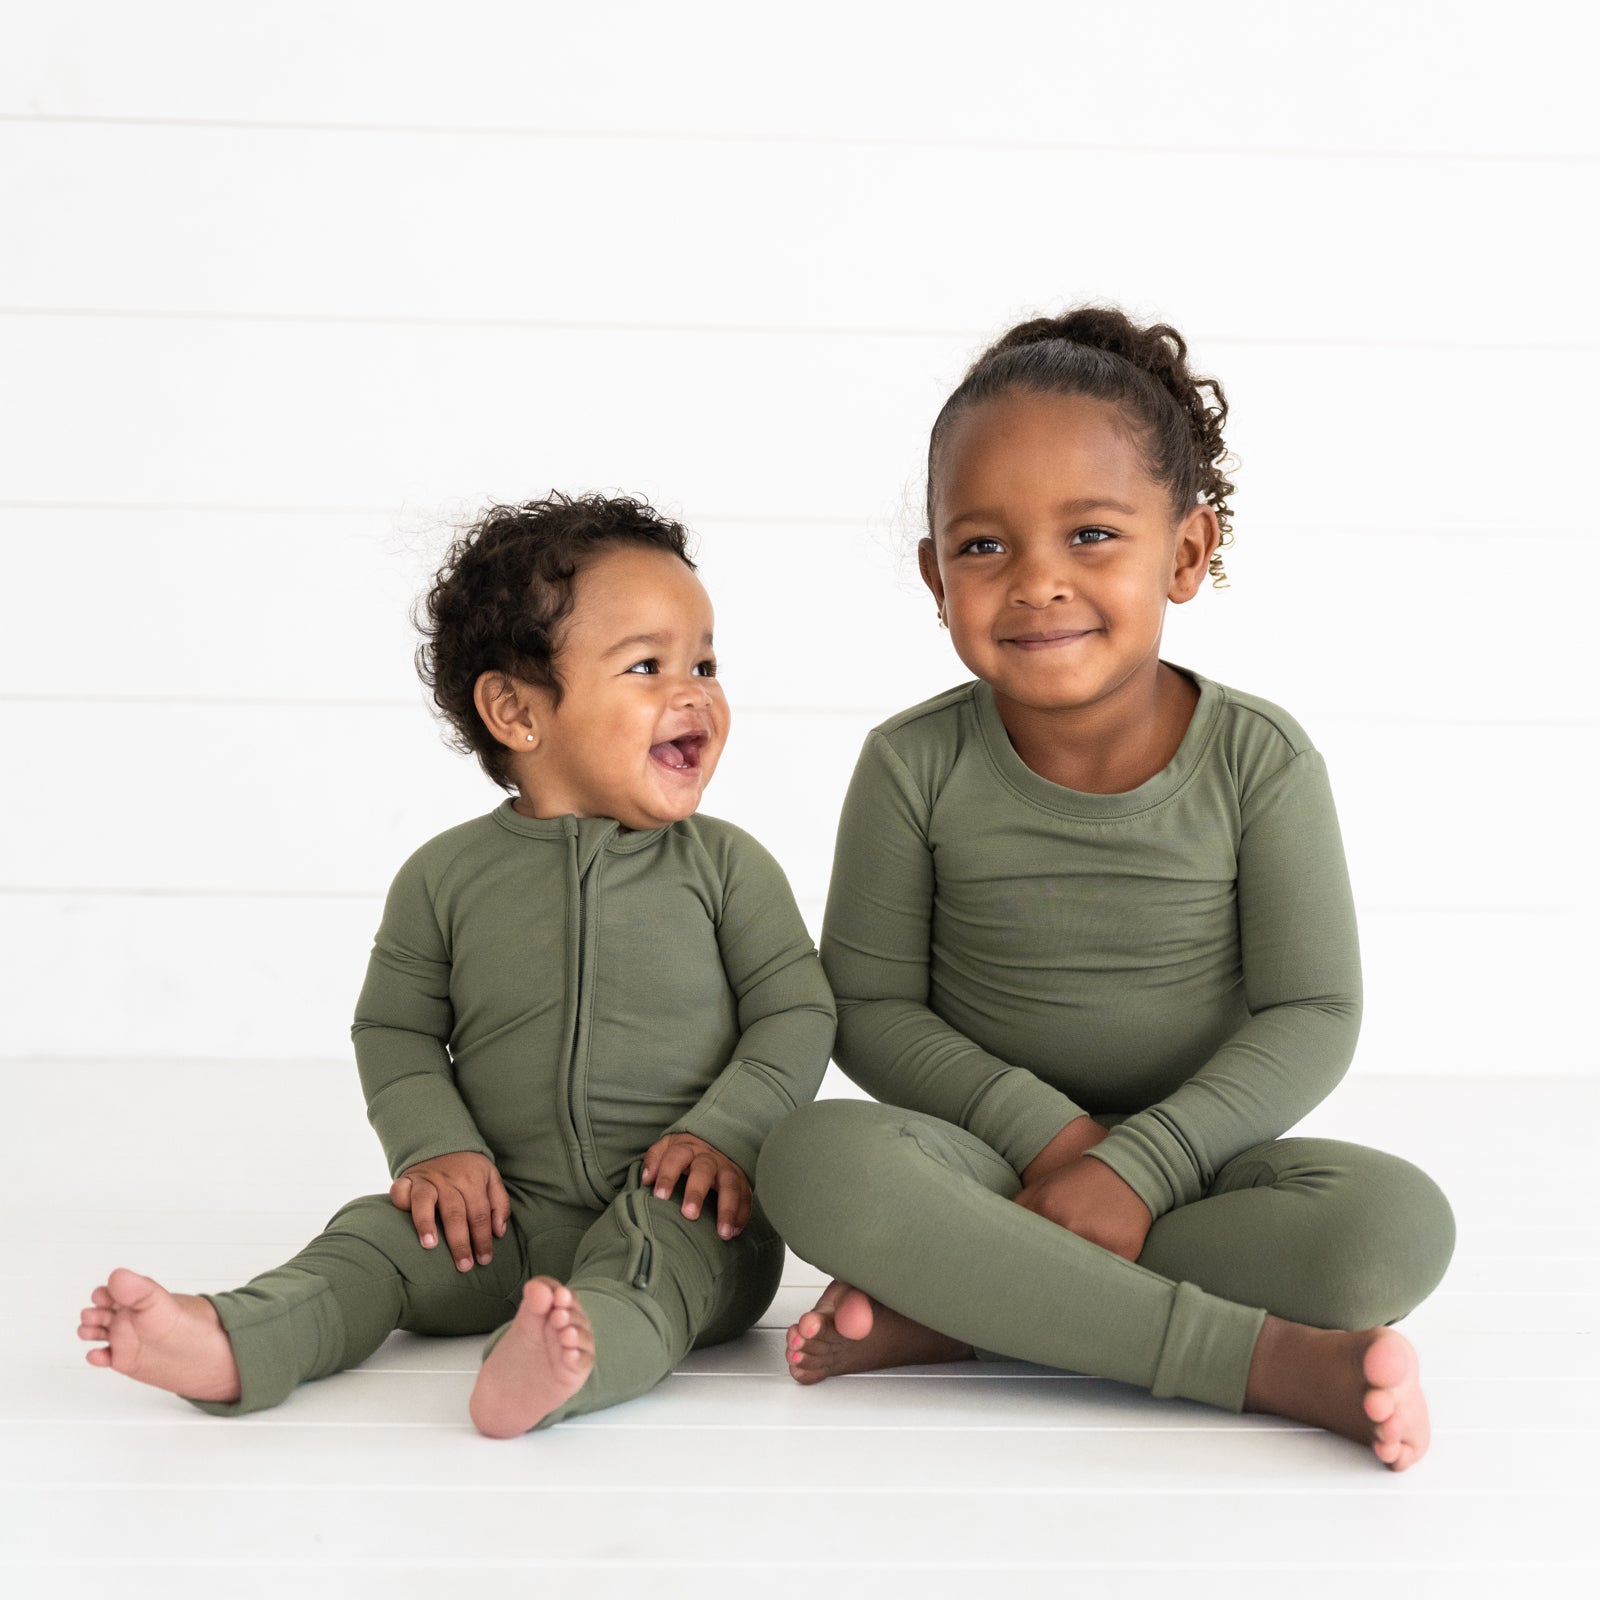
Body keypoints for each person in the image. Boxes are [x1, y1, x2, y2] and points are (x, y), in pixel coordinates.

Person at [757, 308, 1454, 1471]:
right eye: (983, 547)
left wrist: (1138, 1164)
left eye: (1090, 534)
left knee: (1388, 1233)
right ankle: (1263, 1363)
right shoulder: (910, 762)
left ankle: (973, 1303)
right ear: (933, 575)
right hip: (982, 1158)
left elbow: (1312, 1014)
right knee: (812, 1160)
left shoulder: (1257, 761)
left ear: (1183, 553)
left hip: (1196, 1167)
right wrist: (1054, 1139)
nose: (1037, 582)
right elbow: (870, 1008)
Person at [78, 493, 835, 1437]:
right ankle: (237, 1338)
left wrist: (728, 1132)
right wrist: (435, 1148)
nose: (694, 693)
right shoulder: (444, 877)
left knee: (650, 1271)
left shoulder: (727, 866)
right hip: (495, 1218)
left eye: (705, 663)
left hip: (684, 1212)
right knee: (367, 1243)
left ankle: (566, 1361)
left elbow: (797, 1013)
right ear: (516, 709)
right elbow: (393, 1028)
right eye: (648, 665)